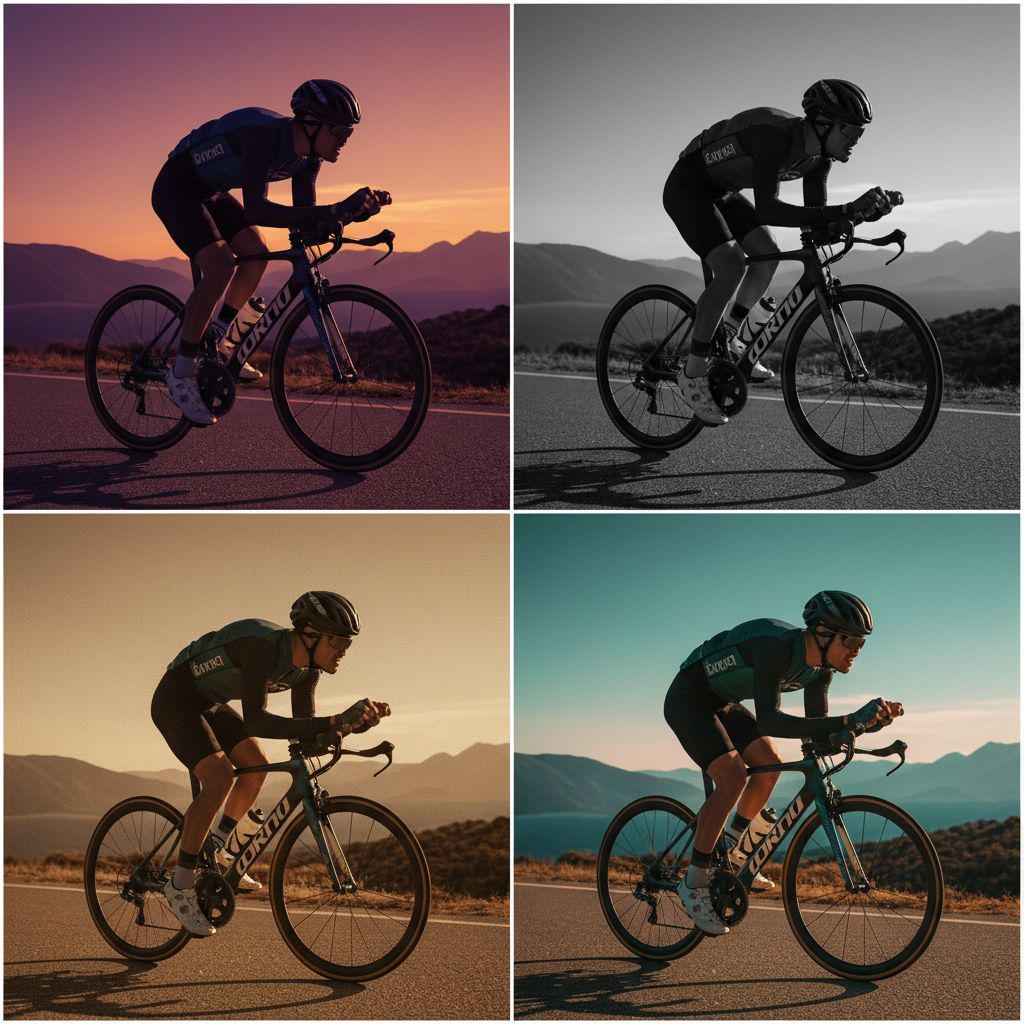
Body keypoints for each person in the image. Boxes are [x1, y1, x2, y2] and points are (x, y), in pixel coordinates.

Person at [152, 79, 390, 425]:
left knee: (257, 252)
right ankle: (182, 372)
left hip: (211, 190)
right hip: (177, 186)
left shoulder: (309, 158)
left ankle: (220, 340)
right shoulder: (262, 136)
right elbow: (257, 211)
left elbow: (306, 224)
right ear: (310, 123)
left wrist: (350, 214)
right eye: (339, 132)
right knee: (220, 265)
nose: (343, 142)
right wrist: (334, 207)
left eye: (348, 135)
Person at [663, 590, 902, 935]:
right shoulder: (774, 647)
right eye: (850, 641)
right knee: (732, 777)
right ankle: (694, 881)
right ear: (822, 633)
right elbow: (770, 722)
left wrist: (863, 725)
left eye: (862, 644)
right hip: (689, 697)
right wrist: (846, 718)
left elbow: (817, 736)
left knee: (770, 766)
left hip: (724, 701)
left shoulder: (821, 669)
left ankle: (731, 850)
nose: (856, 651)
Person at [151, 590, 389, 936]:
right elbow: (257, 722)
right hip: (176, 698)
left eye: (348, 645)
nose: (343, 652)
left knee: (256, 765)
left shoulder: (307, 670)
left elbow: (305, 737)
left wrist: (349, 726)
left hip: (210, 702)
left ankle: (219, 849)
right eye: (337, 642)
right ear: (309, 635)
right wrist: (334, 719)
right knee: (219, 777)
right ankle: (181, 882)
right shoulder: (260, 645)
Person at [663, 79, 895, 424]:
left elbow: (815, 225)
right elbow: (768, 210)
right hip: (689, 186)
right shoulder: (774, 135)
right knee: (730, 266)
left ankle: (728, 336)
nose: (855, 141)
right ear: (822, 123)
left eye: (859, 134)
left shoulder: (819, 158)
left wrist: (861, 215)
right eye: (849, 132)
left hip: (723, 190)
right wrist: (845, 210)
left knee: (767, 253)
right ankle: (693, 373)